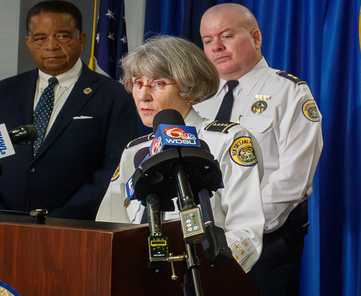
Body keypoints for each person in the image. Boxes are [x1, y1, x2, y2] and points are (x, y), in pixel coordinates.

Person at [194, 3, 323, 296]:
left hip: (267, 244)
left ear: (256, 37)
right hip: (208, 245)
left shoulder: (289, 92)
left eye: (227, 36)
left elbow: (293, 178)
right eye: (208, 39)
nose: (216, 46)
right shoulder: (199, 99)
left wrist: (241, 230)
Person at [96, 35, 266, 274]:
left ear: (189, 87)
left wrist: (209, 272)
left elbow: (246, 233)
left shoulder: (227, 140)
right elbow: (109, 225)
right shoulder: (134, 151)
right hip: (139, 284)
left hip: (205, 282)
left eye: (158, 84)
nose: (143, 96)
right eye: (137, 83)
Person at [0, 0, 138, 219]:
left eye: (63, 36)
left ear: (81, 39)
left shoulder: (114, 95)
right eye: (40, 38)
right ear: (28, 42)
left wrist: (62, 218)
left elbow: (114, 169)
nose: (51, 46)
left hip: (76, 227)